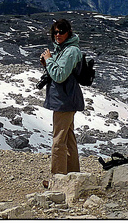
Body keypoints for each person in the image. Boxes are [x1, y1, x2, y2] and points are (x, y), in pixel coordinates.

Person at [37, 19, 98, 175]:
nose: (58, 35)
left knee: (58, 141)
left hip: (64, 102)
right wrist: (47, 64)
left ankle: (57, 178)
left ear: (68, 32)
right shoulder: (63, 50)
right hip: (65, 100)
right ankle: (73, 175)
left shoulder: (70, 51)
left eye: (61, 31)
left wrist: (49, 60)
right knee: (68, 139)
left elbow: (59, 75)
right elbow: (59, 72)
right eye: (55, 32)